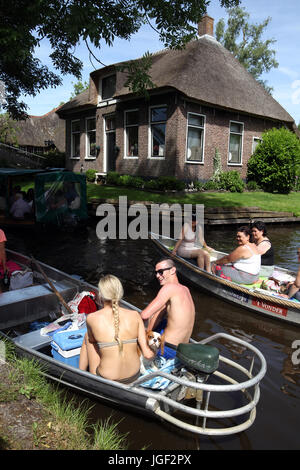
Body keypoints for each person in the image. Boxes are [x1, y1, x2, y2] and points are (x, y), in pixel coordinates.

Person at [79, 274, 154, 383]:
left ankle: (81, 376)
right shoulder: (135, 315)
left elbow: (93, 341)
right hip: (133, 376)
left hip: (107, 377)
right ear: (120, 293)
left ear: (100, 294)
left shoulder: (92, 318)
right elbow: (147, 354)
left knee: (88, 339)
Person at [141, 258, 195, 359]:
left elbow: (145, 315)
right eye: (156, 272)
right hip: (181, 350)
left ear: (172, 270)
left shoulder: (169, 288)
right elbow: (159, 315)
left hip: (167, 349)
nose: (157, 276)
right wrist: (147, 332)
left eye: (161, 272)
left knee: (132, 329)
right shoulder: (185, 289)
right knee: (163, 321)